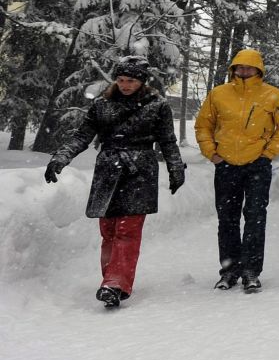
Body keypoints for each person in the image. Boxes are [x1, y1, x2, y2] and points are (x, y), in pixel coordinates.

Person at [44, 55, 186, 308]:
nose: (125, 85)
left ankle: (115, 283)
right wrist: (60, 158)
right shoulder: (102, 105)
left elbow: (167, 140)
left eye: (130, 80)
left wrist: (176, 168)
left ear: (142, 81)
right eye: (121, 79)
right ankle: (111, 281)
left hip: (140, 169)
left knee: (127, 230)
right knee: (108, 230)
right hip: (108, 168)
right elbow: (82, 135)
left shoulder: (158, 105)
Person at [194, 48, 279, 292]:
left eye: (249, 68)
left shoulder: (272, 95)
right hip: (226, 165)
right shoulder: (218, 94)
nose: (244, 71)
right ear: (233, 69)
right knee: (227, 220)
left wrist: (268, 154)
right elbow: (203, 125)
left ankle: (251, 271)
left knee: (255, 218)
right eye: (240, 67)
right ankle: (229, 271)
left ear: (258, 70)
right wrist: (212, 154)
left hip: (257, 166)